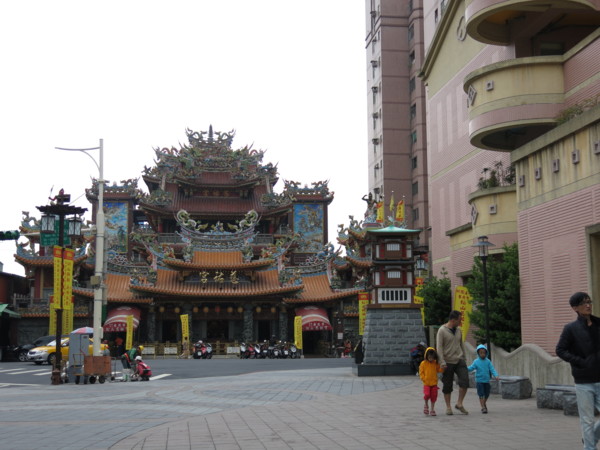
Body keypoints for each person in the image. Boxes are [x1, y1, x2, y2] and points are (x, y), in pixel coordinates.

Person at [556, 292, 600, 450]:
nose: (588, 305)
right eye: (583, 303)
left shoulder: (599, 323)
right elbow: (560, 350)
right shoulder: (571, 329)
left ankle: (591, 437)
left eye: (589, 302)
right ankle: (589, 447)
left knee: (590, 423)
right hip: (583, 381)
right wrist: (581, 362)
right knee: (587, 419)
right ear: (575, 308)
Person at [436, 310, 469, 415]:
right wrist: (442, 362)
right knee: (447, 385)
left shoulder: (459, 330)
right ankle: (448, 407)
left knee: (465, 381)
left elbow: (461, 344)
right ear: (453, 320)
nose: (460, 322)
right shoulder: (442, 330)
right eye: (459, 320)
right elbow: (439, 348)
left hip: (459, 359)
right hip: (447, 362)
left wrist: (464, 357)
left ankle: (459, 403)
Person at [467, 344, 499, 413]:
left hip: (486, 381)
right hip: (479, 381)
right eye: (481, 353)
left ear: (486, 353)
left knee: (487, 394)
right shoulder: (476, 361)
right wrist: (465, 368)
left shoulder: (488, 361)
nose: (482, 354)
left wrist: (496, 375)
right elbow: (471, 368)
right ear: (478, 353)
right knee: (481, 394)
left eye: (484, 353)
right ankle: (483, 407)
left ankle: (483, 403)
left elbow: (492, 369)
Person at [419, 347, 444, 416]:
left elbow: (439, 370)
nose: (431, 359)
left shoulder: (435, 363)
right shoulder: (423, 363)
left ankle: (432, 409)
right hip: (426, 383)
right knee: (427, 394)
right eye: (429, 357)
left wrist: (443, 368)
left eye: (432, 357)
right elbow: (421, 372)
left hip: (434, 383)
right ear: (426, 356)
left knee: (434, 396)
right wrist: (424, 378)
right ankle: (426, 405)